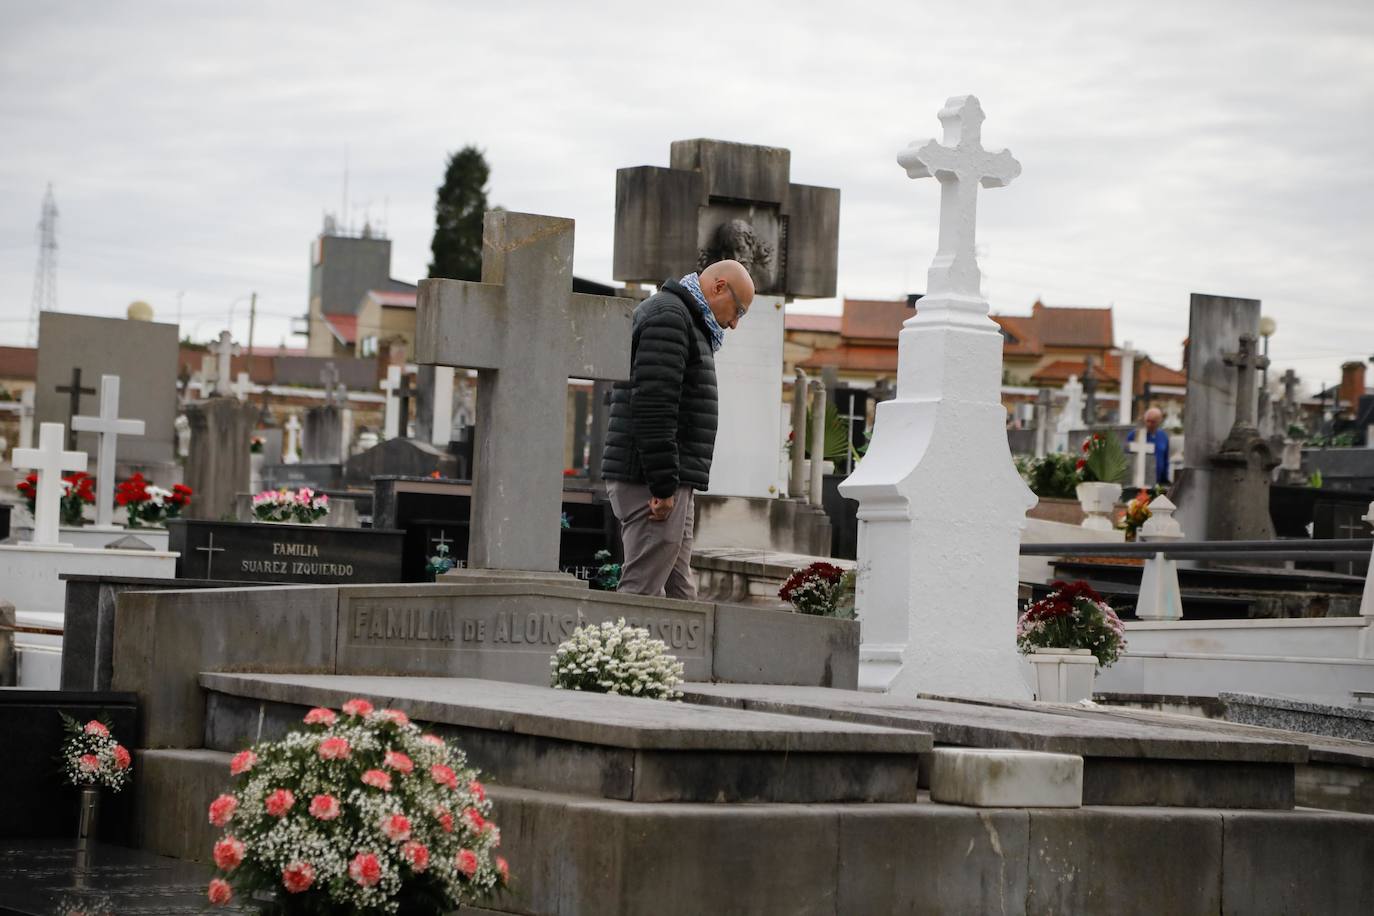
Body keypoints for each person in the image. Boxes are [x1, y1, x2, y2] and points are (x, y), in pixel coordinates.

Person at [600, 259, 755, 598]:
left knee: (680, 594)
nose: (733, 324)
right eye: (738, 311)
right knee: (641, 591)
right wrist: (663, 485)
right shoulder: (670, 318)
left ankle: (680, 654)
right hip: (649, 481)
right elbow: (655, 405)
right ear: (718, 287)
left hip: (668, 479)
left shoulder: (685, 319)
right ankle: (612, 652)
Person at [1127, 406, 1171, 485]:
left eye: (1153, 422)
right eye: (1148, 421)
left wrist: (1165, 479)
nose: (1149, 424)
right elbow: (1127, 457)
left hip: (1158, 481)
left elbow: (1165, 459)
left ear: (1159, 421)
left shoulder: (1163, 436)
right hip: (1139, 479)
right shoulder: (1135, 435)